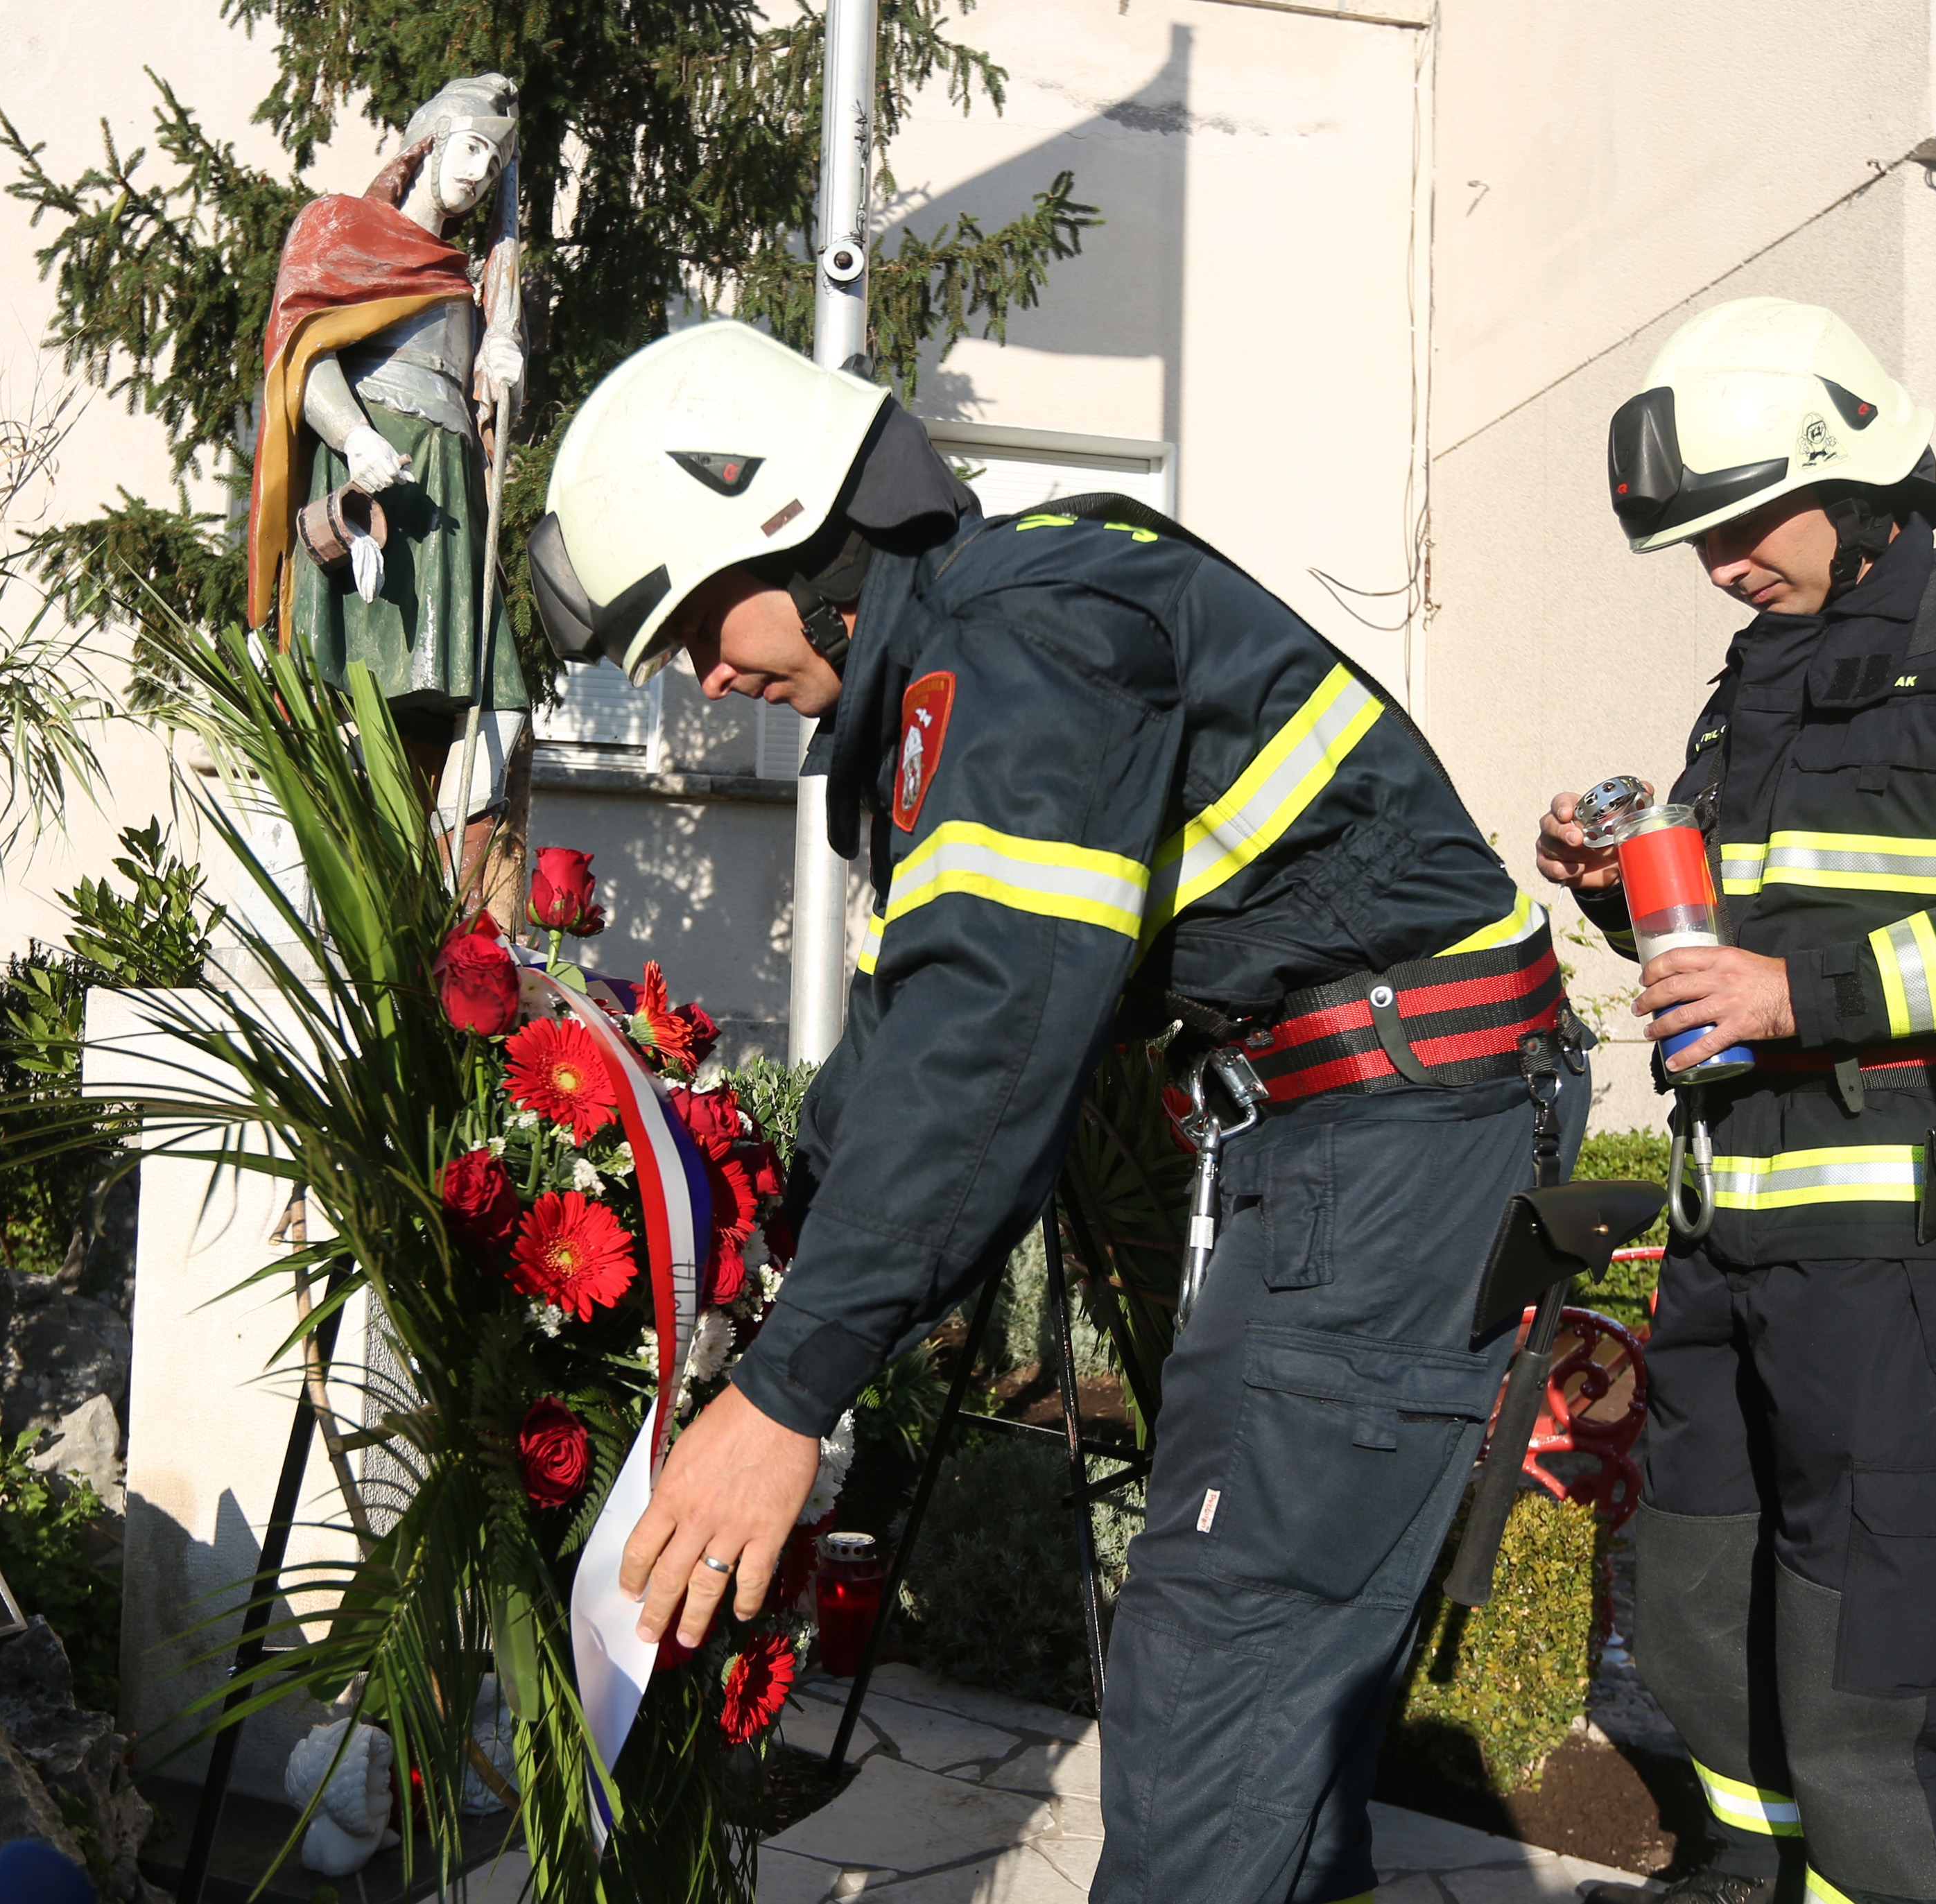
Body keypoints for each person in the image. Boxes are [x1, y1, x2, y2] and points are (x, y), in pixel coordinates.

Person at [528, 320, 1587, 1904]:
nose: (703, 675)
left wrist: (788, 1397)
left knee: (1218, 1674)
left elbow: (988, 1049)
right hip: (1339, 1135)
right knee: (1227, 1681)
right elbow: (897, 1045)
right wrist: (768, 1293)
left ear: (794, 520)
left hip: (1390, 1133)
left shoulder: (1018, 644)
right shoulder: (953, 694)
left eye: (692, 619)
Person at [1536, 298, 1936, 1904]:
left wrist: (1799, 997)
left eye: (1741, 524)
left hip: (1892, 1236)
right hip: (1725, 1232)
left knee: (1876, 1644)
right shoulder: (1748, 677)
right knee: (1693, 1596)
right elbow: (1736, 939)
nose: (1719, 565)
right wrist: (1618, 893)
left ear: (1858, 475)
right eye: (1693, 541)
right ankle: (1752, 1874)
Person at [246, 73, 530, 795]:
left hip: (446, 487)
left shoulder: (465, 286)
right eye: (470, 149)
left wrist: (501, 371)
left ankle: (455, 868)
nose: (477, 173)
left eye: (493, 165)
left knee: (489, 693)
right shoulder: (341, 230)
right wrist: (353, 436)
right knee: (342, 688)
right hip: (368, 477)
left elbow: (489, 418)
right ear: (427, 144)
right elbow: (302, 353)